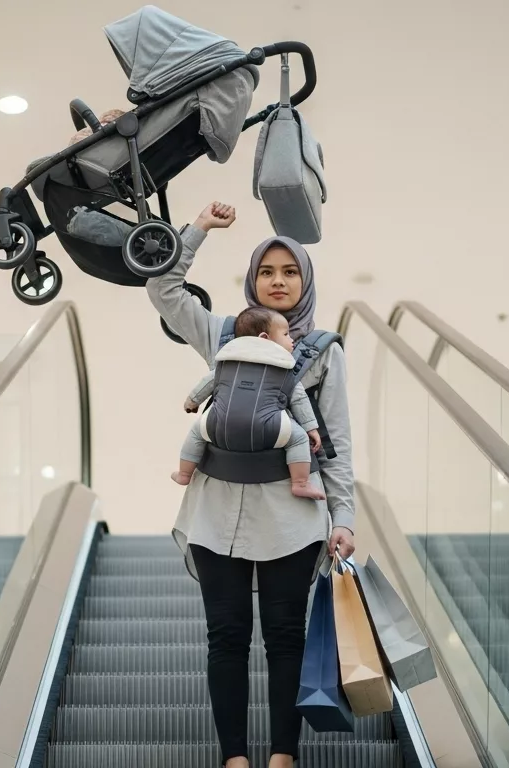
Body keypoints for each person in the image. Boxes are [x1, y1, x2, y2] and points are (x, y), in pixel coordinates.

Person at [147, 201, 356, 768]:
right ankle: (234, 757)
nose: (278, 281)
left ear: (305, 281)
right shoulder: (223, 335)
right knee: (227, 636)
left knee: (286, 636)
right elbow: (164, 290)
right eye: (268, 271)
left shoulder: (321, 352)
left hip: (293, 517)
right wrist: (197, 231)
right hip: (215, 512)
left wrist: (345, 520)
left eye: (290, 272)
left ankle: (283, 755)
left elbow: (335, 443)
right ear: (253, 280)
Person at [174, 306, 324, 500]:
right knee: (298, 439)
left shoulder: (226, 364)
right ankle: (301, 483)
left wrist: (191, 402)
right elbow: (299, 400)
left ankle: (184, 474)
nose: (291, 339)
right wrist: (311, 428)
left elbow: (207, 384)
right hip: (271, 426)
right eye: (286, 334)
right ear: (264, 339)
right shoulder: (284, 371)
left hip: (219, 422)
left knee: (196, 432)